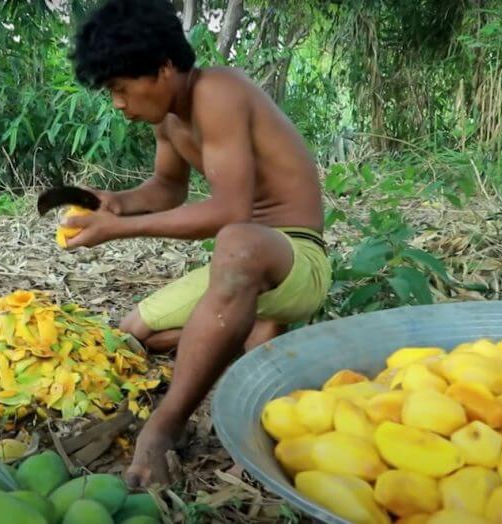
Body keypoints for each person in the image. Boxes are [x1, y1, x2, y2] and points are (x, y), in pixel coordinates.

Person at [64, 0, 331, 489]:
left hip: (294, 259)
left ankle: (165, 426)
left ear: (164, 68)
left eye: (121, 89)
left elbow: (230, 211)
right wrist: (117, 203)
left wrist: (119, 231)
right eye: (111, 93)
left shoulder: (218, 92)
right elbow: (168, 188)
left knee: (236, 240)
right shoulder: (168, 118)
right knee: (132, 333)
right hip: (242, 263)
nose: (118, 104)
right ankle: (249, 324)